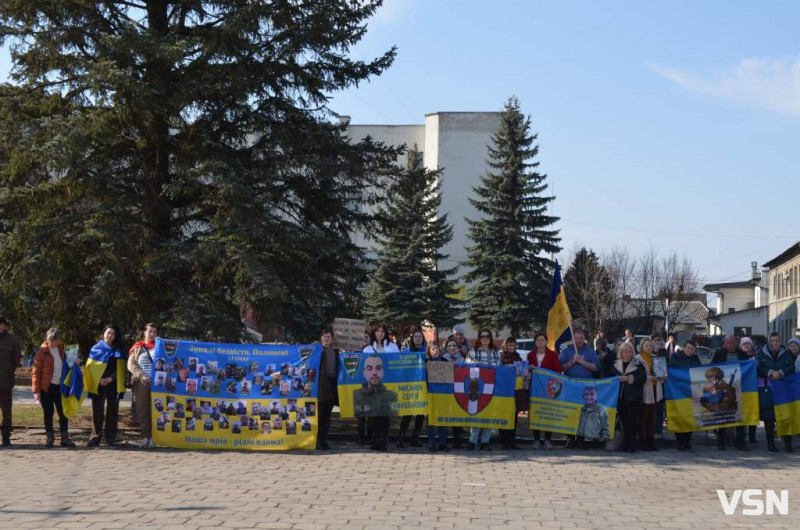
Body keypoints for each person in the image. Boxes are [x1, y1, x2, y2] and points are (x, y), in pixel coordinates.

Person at [31, 328, 75, 448]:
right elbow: (35, 372)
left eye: (55, 340)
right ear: (47, 338)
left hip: (60, 386)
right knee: (48, 413)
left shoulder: (62, 349)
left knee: (63, 412)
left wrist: (76, 360)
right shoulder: (41, 352)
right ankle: (49, 438)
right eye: (51, 340)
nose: (53, 343)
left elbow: (71, 363)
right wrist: (36, 391)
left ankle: (64, 438)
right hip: (47, 388)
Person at [85, 325, 126, 447]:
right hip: (98, 384)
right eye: (108, 333)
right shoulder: (96, 348)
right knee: (97, 411)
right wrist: (99, 380)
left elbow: (120, 368)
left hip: (113, 384)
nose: (110, 336)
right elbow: (90, 368)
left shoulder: (118, 350)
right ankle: (95, 437)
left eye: (113, 334)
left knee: (113, 411)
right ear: (103, 334)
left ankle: (110, 437)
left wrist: (110, 378)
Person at [756, 332, 795, 452]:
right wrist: (770, 372)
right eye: (772, 340)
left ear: (780, 341)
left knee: (786, 417)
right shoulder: (761, 353)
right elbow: (758, 368)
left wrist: (781, 372)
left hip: (784, 389)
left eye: (777, 340)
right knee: (769, 418)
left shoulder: (787, 353)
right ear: (769, 341)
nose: (775, 343)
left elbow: (792, 367)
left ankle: (788, 444)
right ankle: (771, 444)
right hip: (768, 390)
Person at [709, 334, 749, 451]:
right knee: (722, 415)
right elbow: (712, 369)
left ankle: (740, 442)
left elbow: (748, 369)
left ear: (736, 343)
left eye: (732, 342)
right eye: (727, 342)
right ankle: (721, 442)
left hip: (738, 389)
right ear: (724, 343)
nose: (730, 344)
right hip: (723, 389)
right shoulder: (719, 354)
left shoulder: (742, 354)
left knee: (739, 414)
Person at [353, 354, 397, 451]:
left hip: (385, 405)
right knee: (374, 419)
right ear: (364, 373)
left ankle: (384, 441)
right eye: (369, 368)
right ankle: (375, 440)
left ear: (382, 372)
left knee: (385, 419)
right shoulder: (356, 395)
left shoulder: (392, 395)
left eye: (378, 368)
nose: (374, 373)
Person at [466, 328, 499, 450]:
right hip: (477, 386)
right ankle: (472, 441)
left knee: (489, 413)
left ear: (490, 338)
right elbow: (466, 366)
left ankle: (485, 441)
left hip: (491, 385)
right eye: (483, 336)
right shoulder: (473, 351)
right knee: (477, 413)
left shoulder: (496, 351)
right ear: (479, 338)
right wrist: (475, 363)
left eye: (487, 336)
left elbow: (499, 366)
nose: (485, 339)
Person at [526, 332, 561, 449]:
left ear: (546, 342)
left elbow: (557, 371)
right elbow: (526, 371)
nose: (540, 342)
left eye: (542, 340)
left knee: (547, 412)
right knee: (535, 412)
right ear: (535, 342)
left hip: (548, 388)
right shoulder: (530, 355)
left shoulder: (552, 354)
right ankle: (536, 439)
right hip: (535, 388)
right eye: (538, 340)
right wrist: (529, 369)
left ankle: (547, 440)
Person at [613, 342, 647, 453]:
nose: (627, 354)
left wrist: (629, 379)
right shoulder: (615, 364)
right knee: (624, 422)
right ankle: (625, 442)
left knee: (632, 421)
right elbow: (608, 378)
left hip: (633, 398)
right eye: (624, 352)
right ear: (621, 353)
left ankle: (632, 443)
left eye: (629, 352)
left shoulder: (638, 364)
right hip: (620, 398)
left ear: (632, 353)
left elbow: (643, 378)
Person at [670, 340, 702, 452]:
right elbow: (671, 371)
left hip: (691, 391)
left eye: (692, 349)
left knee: (690, 416)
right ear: (684, 348)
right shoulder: (675, 357)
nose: (690, 351)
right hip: (678, 391)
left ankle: (687, 441)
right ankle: (680, 442)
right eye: (688, 348)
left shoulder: (696, 359)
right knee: (680, 415)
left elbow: (699, 372)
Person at [398, 329, 426, 448]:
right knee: (408, 413)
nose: (418, 338)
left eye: (420, 337)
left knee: (420, 414)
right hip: (409, 386)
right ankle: (401, 438)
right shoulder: (406, 351)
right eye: (416, 337)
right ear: (412, 339)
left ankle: (416, 438)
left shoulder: (427, 351)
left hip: (423, 386)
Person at [636, 337, 663, 451]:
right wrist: (649, 377)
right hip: (644, 389)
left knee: (652, 416)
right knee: (643, 416)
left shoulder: (656, 358)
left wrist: (662, 376)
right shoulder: (637, 359)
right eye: (646, 345)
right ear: (642, 347)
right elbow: (637, 375)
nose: (649, 348)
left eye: (650, 346)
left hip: (655, 389)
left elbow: (661, 373)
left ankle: (650, 440)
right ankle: (642, 440)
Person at [0, 316, 22, 447]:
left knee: (7, 412)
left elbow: (16, 359)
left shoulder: (12, 340)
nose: (1, 326)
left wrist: (9, 372)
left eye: (3, 324)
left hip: (5, 383)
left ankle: (6, 436)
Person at [499, 337, 524, 450]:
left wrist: (525, 371)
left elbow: (522, 372)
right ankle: (504, 442)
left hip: (515, 390)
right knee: (504, 415)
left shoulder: (518, 357)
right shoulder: (501, 357)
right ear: (506, 345)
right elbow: (498, 371)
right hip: (504, 390)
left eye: (514, 345)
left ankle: (512, 442)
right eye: (510, 345)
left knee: (514, 416)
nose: (512, 347)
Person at [317, 326, 339, 450]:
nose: (326, 339)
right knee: (320, 415)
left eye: (328, 337)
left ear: (332, 339)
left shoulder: (335, 351)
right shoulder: (318, 350)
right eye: (324, 336)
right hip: (321, 384)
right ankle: (318, 440)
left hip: (332, 383)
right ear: (321, 338)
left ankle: (324, 439)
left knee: (327, 415)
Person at [425, 342, 449, 452]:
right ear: (429, 351)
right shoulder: (425, 362)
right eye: (433, 349)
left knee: (442, 419)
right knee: (431, 420)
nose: (435, 351)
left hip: (442, 395)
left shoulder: (445, 362)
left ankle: (442, 443)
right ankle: (431, 443)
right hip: (429, 394)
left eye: (437, 349)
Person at [442, 338, 466, 448]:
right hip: (446, 391)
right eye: (449, 346)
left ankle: (457, 441)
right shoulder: (442, 359)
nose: (452, 348)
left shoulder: (462, 360)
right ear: (446, 348)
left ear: (457, 348)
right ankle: (444, 441)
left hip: (458, 390)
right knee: (446, 415)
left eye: (454, 346)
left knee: (458, 415)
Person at [739, 337, 758, 443]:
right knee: (742, 411)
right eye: (744, 344)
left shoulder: (756, 356)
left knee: (753, 411)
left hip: (753, 387)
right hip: (742, 387)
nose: (746, 346)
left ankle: (752, 435)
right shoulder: (739, 356)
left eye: (748, 344)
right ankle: (741, 435)